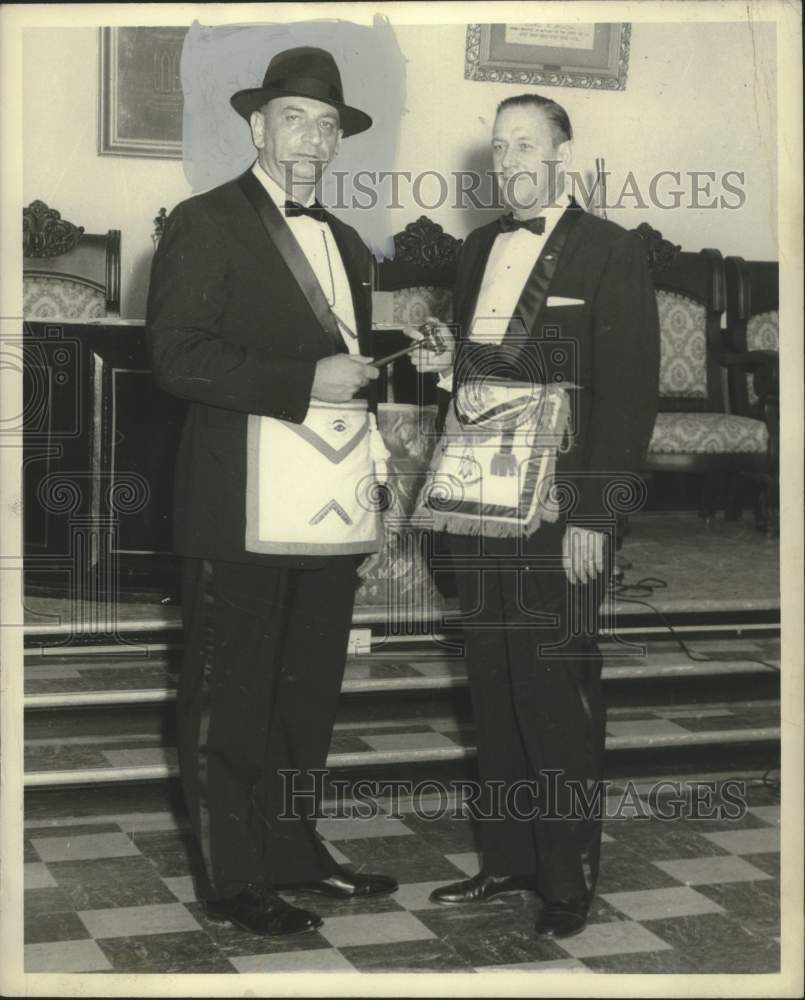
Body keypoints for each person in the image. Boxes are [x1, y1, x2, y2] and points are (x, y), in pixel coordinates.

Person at [147, 46, 397, 938]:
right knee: (231, 690)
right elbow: (176, 357)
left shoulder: (348, 243)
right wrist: (303, 381)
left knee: (306, 690)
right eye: (294, 119)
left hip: (327, 501)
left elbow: (346, 366)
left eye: (327, 125)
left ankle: (293, 851)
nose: (312, 139)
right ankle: (233, 877)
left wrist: (402, 366)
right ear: (257, 127)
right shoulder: (205, 220)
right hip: (240, 502)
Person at [409, 93, 660, 938]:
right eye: (499, 146)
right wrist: (448, 364)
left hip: (562, 509)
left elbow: (628, 395)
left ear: (562, 155)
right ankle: (509, 860)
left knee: (555, 689)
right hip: (480, 500)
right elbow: (488, 376)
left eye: (525, 144)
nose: (509, 160)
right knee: (492, 683)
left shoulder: (610, 250)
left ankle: (565, 879)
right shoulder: (478, 247)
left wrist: (596, 516)